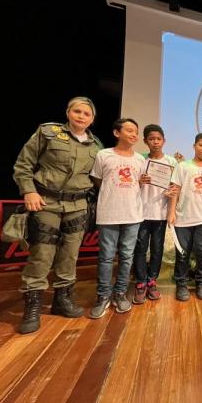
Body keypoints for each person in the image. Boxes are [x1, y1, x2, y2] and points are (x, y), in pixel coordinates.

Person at [13, 96, 102, 334]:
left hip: (78, 205)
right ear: (68, 112)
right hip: (46, 202)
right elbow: (23, 164)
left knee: (70, 255)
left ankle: (62, 300)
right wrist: (29, 190)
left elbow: (98, 179)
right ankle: (32, 306)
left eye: (87, 114)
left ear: (92, 119)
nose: (81, 116)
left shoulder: (96, 146)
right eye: (77, 111)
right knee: (42, 254)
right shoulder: (48, 133)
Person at [89, 118, 146, 318]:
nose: (133, 135)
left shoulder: (140, 159)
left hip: (133, 214)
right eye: (129, 130)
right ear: (116, 132)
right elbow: (97, 179)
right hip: (109, 213)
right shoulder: (103, 155)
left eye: (135, 132)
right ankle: (103, 295)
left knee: (127, 256)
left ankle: (120, 293)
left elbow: (138, 182)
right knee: (106, 257)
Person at [168, 133, 202, 301]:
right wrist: (171, 212)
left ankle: (201, 283)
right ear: (194, 146)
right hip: (183, 219)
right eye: (201, 145)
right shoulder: (183, 167)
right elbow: (174, 189)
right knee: (182, 254)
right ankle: (182, 284)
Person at [132, 124, 179, 304]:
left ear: (164, 141)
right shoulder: (140, 161)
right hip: (141, 213)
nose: (155, 142)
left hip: (160, 213)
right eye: (151, 139)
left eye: (158, 139)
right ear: (145, 141)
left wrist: (170, 195)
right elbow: (131, 186)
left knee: (157, 250)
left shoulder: (171, 162)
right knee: (141, 249)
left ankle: (152, 281)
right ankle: (140, 283)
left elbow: (175, 188)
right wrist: (139, 182)